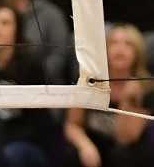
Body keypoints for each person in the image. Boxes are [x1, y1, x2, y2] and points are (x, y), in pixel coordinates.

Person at [0, 1, 59, 167]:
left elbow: (40, 122)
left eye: (5, 23)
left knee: (7, 156)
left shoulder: (30, 66)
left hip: (22, 142)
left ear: (17, 30)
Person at [64, 24, 154, 167]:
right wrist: (85, 146)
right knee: (73, 154)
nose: (120, 49)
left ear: (137, 52)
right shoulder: (89, 79)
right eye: (114, 43)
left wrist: (127, 100)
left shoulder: (145, 88)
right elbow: (72, 124)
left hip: (127, 150)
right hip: (94, 144)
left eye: (128, 44)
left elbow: (125, 138)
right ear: (104, 50)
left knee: (122, 155)